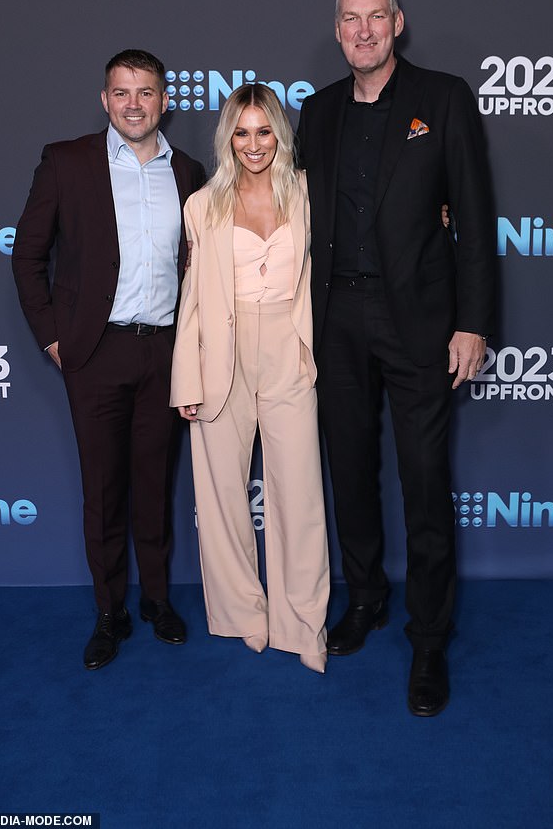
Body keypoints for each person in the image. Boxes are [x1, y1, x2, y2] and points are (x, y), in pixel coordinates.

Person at [297, 0, 495, 714]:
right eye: (351, 19)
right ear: (338, 27)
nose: (364, 31)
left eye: (376, 17)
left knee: (421, 481)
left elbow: (474, 217)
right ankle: (367, 598)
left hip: (419, 323)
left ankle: (429, 636)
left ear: (399, 22)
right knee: (349, 470)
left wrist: (472, 321)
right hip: (335, 320)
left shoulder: (442, 98)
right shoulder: (315, 112)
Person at [12, 49, 206, 670]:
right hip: (95, 351)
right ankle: (108, 612)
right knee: (103, 488)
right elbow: (26, 257)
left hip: (166, 352)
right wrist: (52, 338)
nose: (133, 103)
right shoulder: (67, 162)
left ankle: (155, 601)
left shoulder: (191, 173)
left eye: (145, 92)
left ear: (164, 101)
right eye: (121, 92)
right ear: (104, 99)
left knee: (154, 484)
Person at [171, 83, 330, 673]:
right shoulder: (203, 205)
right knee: (220, 497)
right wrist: (186, 378)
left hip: (289, 352)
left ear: (280, 134)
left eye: (265, 131)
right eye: (242, 131)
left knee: (300, 494)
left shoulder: (308, 194)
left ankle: (302, 622)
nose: (254, 144)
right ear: (228, 137)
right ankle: (243, 614)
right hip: (222, 357)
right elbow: (192, 300)